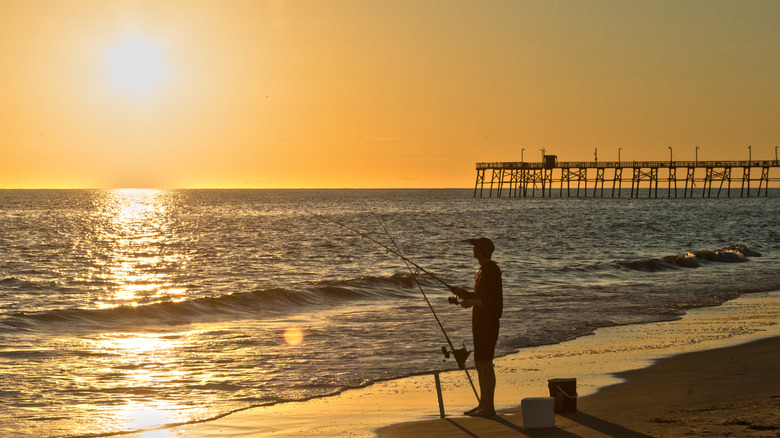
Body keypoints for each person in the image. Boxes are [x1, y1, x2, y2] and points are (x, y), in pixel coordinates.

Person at [450, 237, 503, 417]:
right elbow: (480, 296)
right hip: (480, 323)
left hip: (488, 324)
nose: (472, 250)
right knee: (479, 363)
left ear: (480, 251)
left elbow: (492, 302)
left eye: (475, 247)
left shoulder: (492, 271)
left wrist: (471, 301)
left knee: (486, 364)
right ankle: (483, 404)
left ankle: (489, 406)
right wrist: (462, 293)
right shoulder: (482, 271)